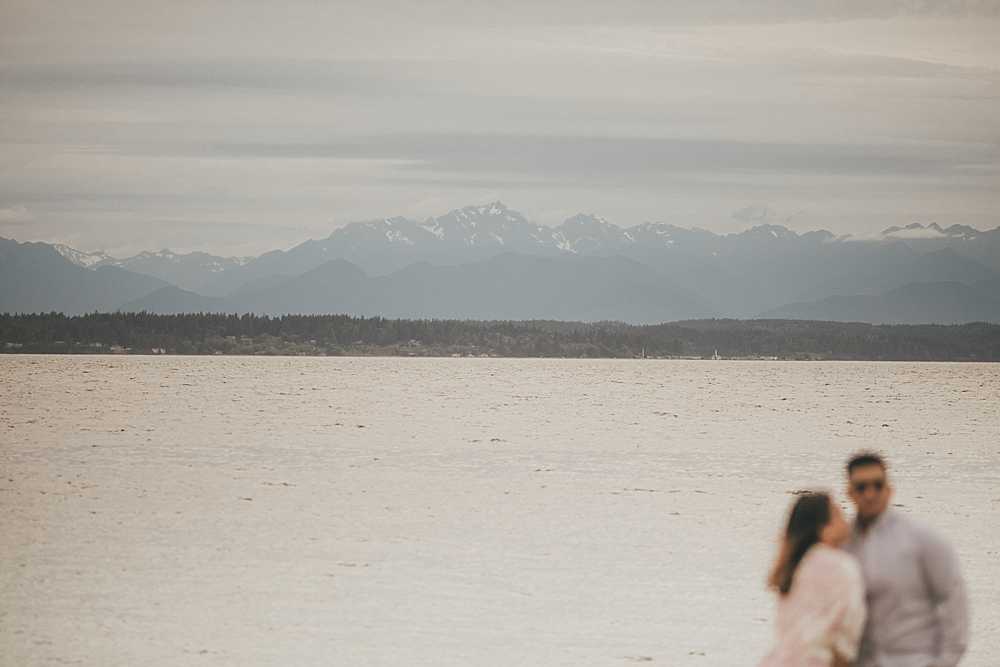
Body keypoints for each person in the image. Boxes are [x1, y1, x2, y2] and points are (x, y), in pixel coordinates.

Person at [844, 452, 969, 667]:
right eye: (862, 487)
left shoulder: (923, 540)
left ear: (889, 489)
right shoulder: (843, 545)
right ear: (850, 493)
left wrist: (945, 662)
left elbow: (953, 601)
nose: (870, 494)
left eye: (878, 485)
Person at [760, 492, 867, 667]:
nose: (846, 521)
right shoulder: (839, 565)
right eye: (839, 515)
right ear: (823, 528)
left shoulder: (792, 567)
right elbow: (846, 634)